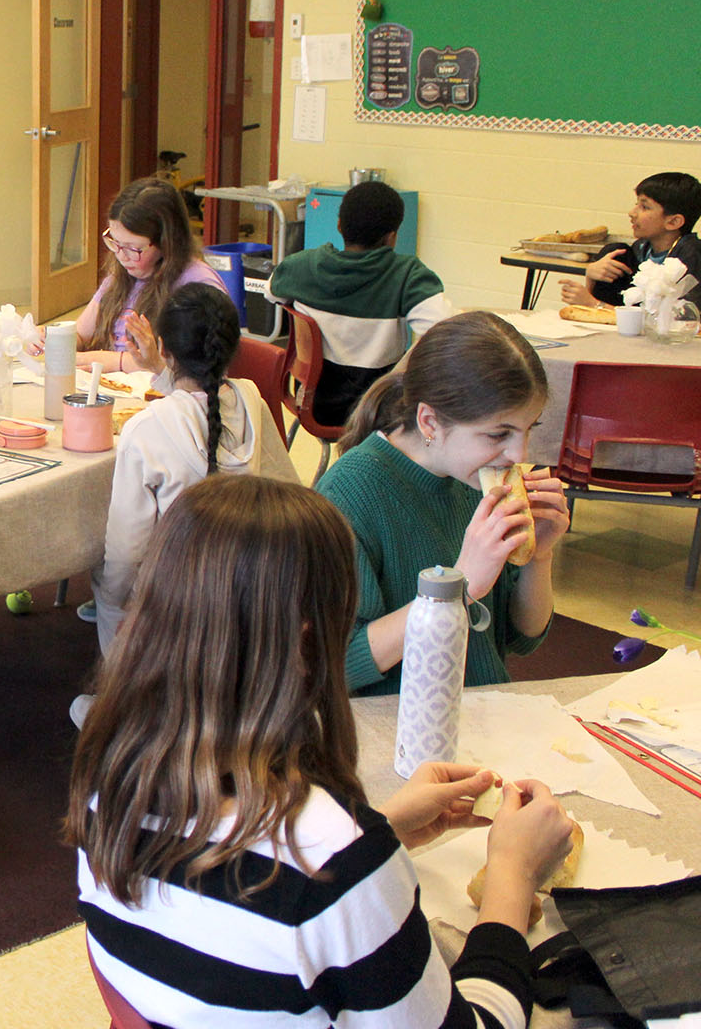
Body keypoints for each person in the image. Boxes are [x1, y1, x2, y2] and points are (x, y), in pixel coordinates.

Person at [68, 474, 576, 1028]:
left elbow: (243, 892)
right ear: (314, 638)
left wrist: (384, 825)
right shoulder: (337, 861)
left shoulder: (113, 772)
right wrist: (511, 875)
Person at [317, 312, 569, 697]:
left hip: (483, 711)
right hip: (400, 724)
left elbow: (523, 637)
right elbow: (338, 663)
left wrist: (539, 556)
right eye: (498, 434)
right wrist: (459, 587)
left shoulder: (472, 477)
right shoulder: (349, 494)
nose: (519, 453)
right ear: (430, 422)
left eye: (527, 429)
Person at [73, 284, 298, 668]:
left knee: (108, 583)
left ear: (164, 348)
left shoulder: (146, 429)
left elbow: (128, 550)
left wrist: (111, 594)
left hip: (178, 596)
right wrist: (161, 371)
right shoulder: (250, 398)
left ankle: (124, 699)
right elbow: (288, 490)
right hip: (248, 586)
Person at [268, 180, 454, 427]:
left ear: (339, 226)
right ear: (392, 237)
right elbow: (446, 332)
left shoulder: (302, 266)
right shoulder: (407, 276)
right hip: (380, 411)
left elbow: (271, 293)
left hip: (314, 404)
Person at [70, 177, 227, 375]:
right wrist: (55, 340)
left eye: (133, 248)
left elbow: (197, 370)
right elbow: (81, 334)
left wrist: (119, 362)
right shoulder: (121, 276)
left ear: (167, 241)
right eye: (115, 243)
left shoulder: (198, 285)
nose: (121, 256)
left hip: (167, 398)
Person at [561, 171, 701, 308]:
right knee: (614, 252)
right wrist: (591, 276)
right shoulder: (640, 248)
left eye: (645, 207)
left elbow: (676, 323)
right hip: (623, 328)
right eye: (636, 204)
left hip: (665, 330)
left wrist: (594, 304)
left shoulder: (691, 255)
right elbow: (595, 308)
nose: (632, 213)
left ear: (673, 222)